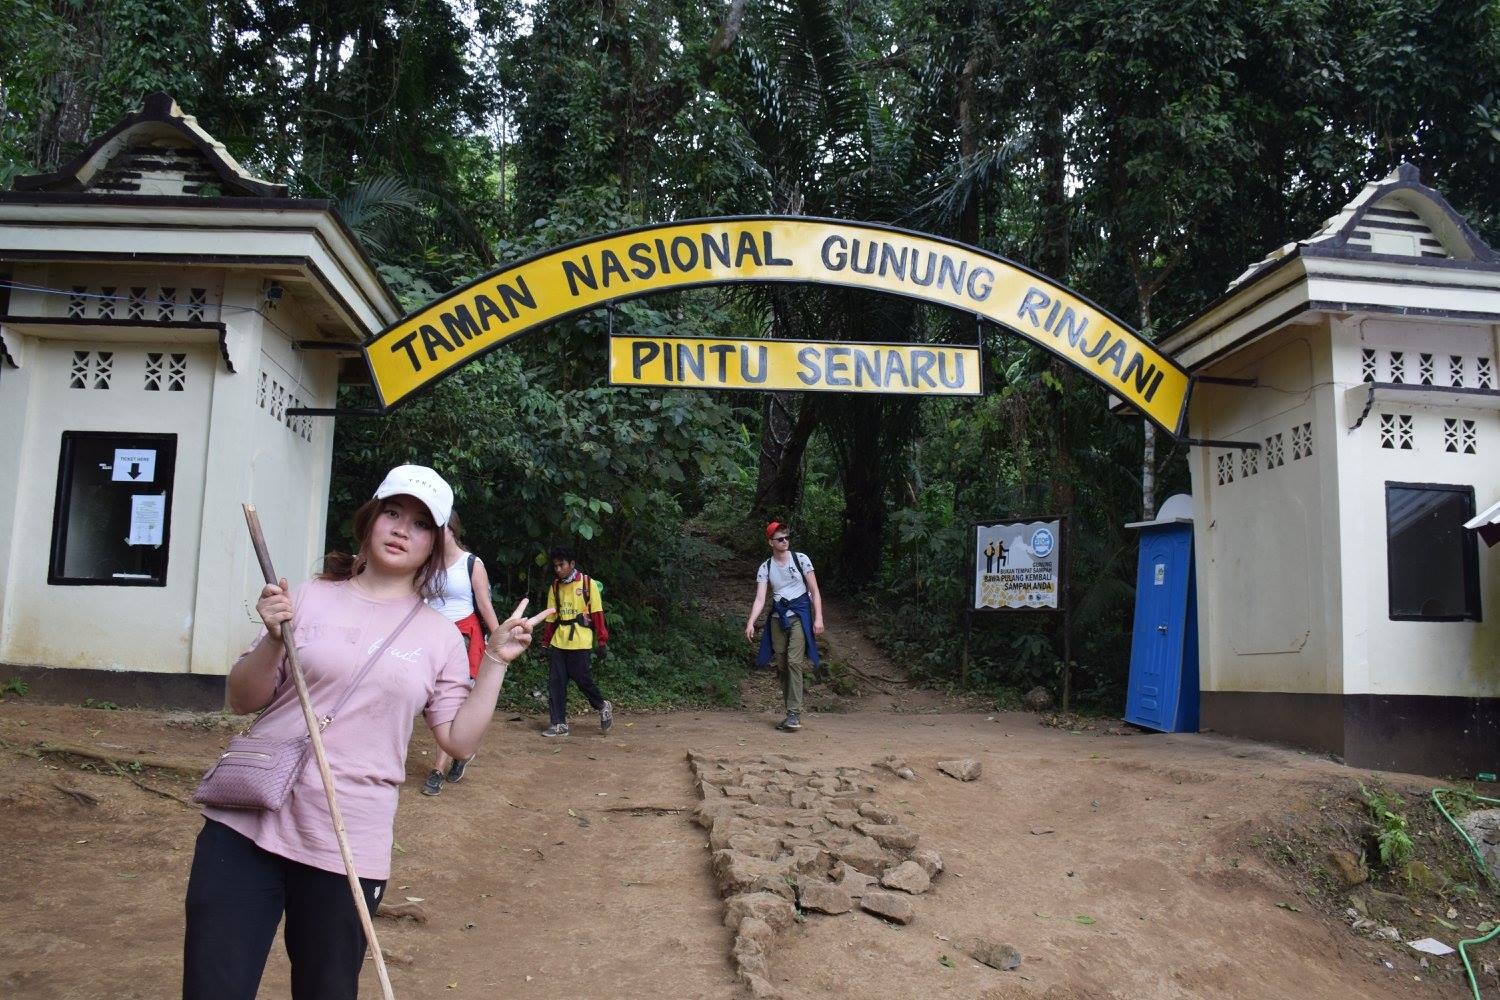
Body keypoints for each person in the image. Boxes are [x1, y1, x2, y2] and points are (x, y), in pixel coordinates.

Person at [182, 465, 549, 1000]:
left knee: (327, 989)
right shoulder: (305, 598)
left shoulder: (439, 637)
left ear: (437, 544)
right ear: (370, 520)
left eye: (421, 524)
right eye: (393, 512)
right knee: (214, 987)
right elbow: (242, 699)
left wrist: (494, 660)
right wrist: (271, 639)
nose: (402, 529)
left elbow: (458, 741)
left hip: (348, 840)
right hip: (246, 824)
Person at [421, 511, 502, 796]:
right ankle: (461, 751)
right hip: (431, 638)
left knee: (450, 703)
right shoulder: (426, 564)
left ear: (452, 529)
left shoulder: (472, 564)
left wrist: (500, 644)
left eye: (438, 529)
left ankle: (437, 768)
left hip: (464, 639)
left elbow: (485, 605)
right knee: (429, 701)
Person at [745, 521, 824, 732]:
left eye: (787, 537)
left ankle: (794, 713)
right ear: (771, 542)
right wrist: (751, 621)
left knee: (794, 661)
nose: (785, 541)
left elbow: (814, 591)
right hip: (778, 618)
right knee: (781, 665)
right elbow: (760, 599)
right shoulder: (766, 567)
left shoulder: (801, 559)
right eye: (780, 539)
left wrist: (818, 619)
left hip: (799, 615)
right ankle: (790, 709)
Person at [537, 544, 612, 738]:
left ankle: (602, 705)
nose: (558, 569)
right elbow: (551, 617)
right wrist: (545, 644)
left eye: (562, 565)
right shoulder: (554, 587)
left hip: (581, 640)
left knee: (582, 679)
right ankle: (558, 723)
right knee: (556, 682)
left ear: (572, 564)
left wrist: (602, 642)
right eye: (555, 566)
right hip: (559, 641)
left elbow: (597, 615)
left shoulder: (588, 584)